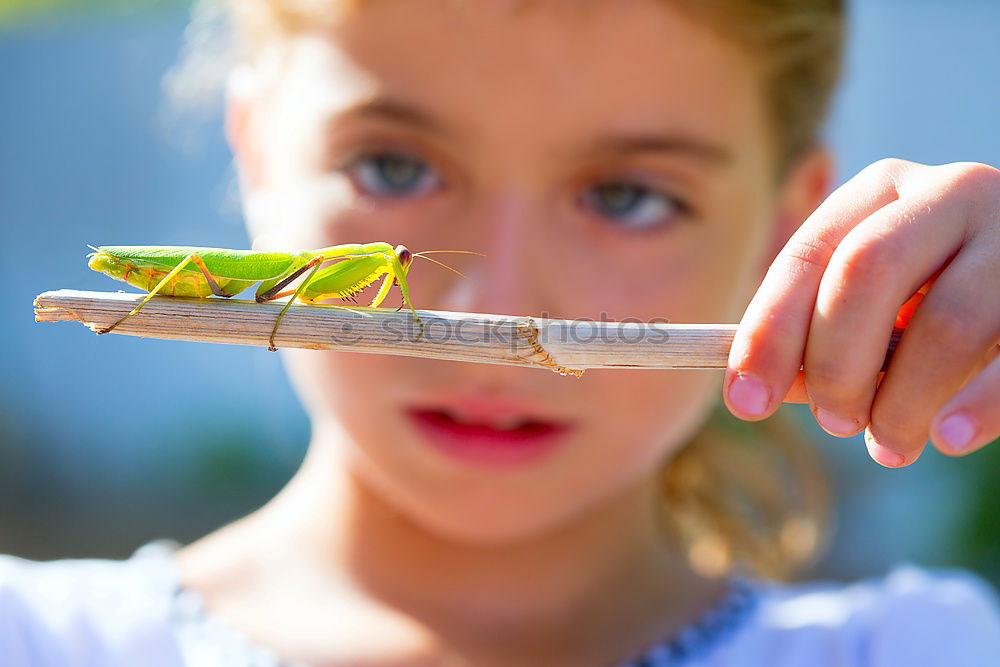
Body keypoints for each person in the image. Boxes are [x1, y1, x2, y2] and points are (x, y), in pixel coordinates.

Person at [3, 1, 1000, 665]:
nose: (494, 293)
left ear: (793, 225)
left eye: (627, 194)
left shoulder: (917, 643)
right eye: (394, 170)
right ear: (256, 157)